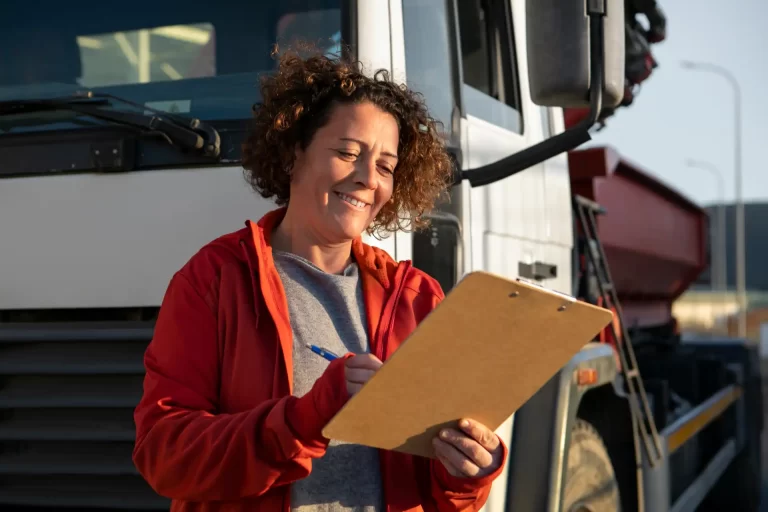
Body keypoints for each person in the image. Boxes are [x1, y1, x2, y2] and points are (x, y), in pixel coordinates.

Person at [132, 45, 508, 512]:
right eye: (349, 152)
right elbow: (164, 456)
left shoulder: (419, 299)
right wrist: (302, 419)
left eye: (387, 166)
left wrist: (469, 473)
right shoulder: (212, 280)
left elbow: (443, 496)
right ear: (293, 153)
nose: (369, 179)